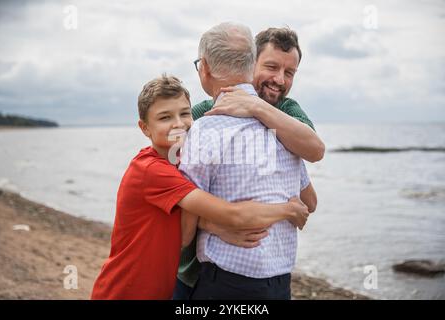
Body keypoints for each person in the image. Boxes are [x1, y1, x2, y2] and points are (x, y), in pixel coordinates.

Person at [90, 74, 309, 300]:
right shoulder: (151, 171)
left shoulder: (181, 163)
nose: (179, 123)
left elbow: (182, 235)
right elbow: (232, 213)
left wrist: (212, 226)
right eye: (165, 117)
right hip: (123, 292)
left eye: (185, 113)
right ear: (145, 128)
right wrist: (289, 210)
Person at [174, 26, 323, 300]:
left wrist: (257, 108)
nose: (279, 79)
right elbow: (173, 192)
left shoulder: (285, 115)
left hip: (232, 275)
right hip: (196, 271)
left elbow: (315, 152)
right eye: (271, 66)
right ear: (249, 61)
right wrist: (215, 223)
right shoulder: (201, 115)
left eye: (289, 73)